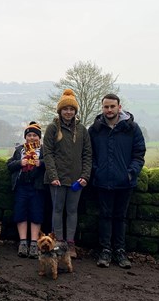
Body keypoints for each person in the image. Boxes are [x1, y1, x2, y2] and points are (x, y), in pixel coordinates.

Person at [88, 93, 146, 269]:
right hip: (102, 181)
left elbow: (139, 153)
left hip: (124, 182)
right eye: (106, 107)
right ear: (102, 108)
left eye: (112, 106)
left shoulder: (132, 128)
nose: (109, 110)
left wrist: (130, 173)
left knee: (120, 217)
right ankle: (105, 251)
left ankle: (120, 251)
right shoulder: (95, 129)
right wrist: (96, 172)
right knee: (104, 216)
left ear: (119, 107)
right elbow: (88, 155)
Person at [43, 89, 92, 258]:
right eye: (65, 109)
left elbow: (87, 154)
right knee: (56, 210)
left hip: (76, 179)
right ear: (60, 111)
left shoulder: (82, 130)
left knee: (72, 211)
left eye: (72, 109)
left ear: (75, 111)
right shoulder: (52, 128)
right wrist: (53, 175)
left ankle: (70, 244)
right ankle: (58, 242)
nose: (69, 112)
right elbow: (47, 153)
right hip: (56, 179)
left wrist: (85, 176)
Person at [7, 121, 46, 258]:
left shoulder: (44, 150)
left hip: (37, 187)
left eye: (35, 135)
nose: (32, 138)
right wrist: (20, 163)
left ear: (39, 138)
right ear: (25, 137)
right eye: (29, 135)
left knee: (36, 214)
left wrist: (40, 163)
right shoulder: (19, 150)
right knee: (20, 213)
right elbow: (9, 164)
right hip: (21, 186)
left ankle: (34, 243)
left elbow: (51, 163)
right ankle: (23, 243)